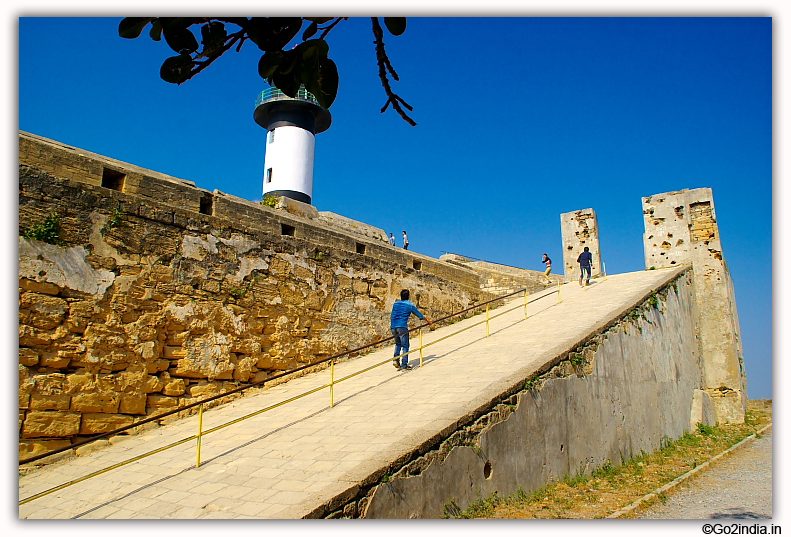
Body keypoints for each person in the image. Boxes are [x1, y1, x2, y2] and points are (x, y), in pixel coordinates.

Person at [391, 289, 431, 370]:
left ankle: (396, 359)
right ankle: (404, 364)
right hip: (402, 326)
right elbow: (419, 314)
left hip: (393, 326)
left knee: (398, 344)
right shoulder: (410, 305)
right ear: (409, 296)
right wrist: (428, 321)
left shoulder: (396, 304)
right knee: (405, 345)